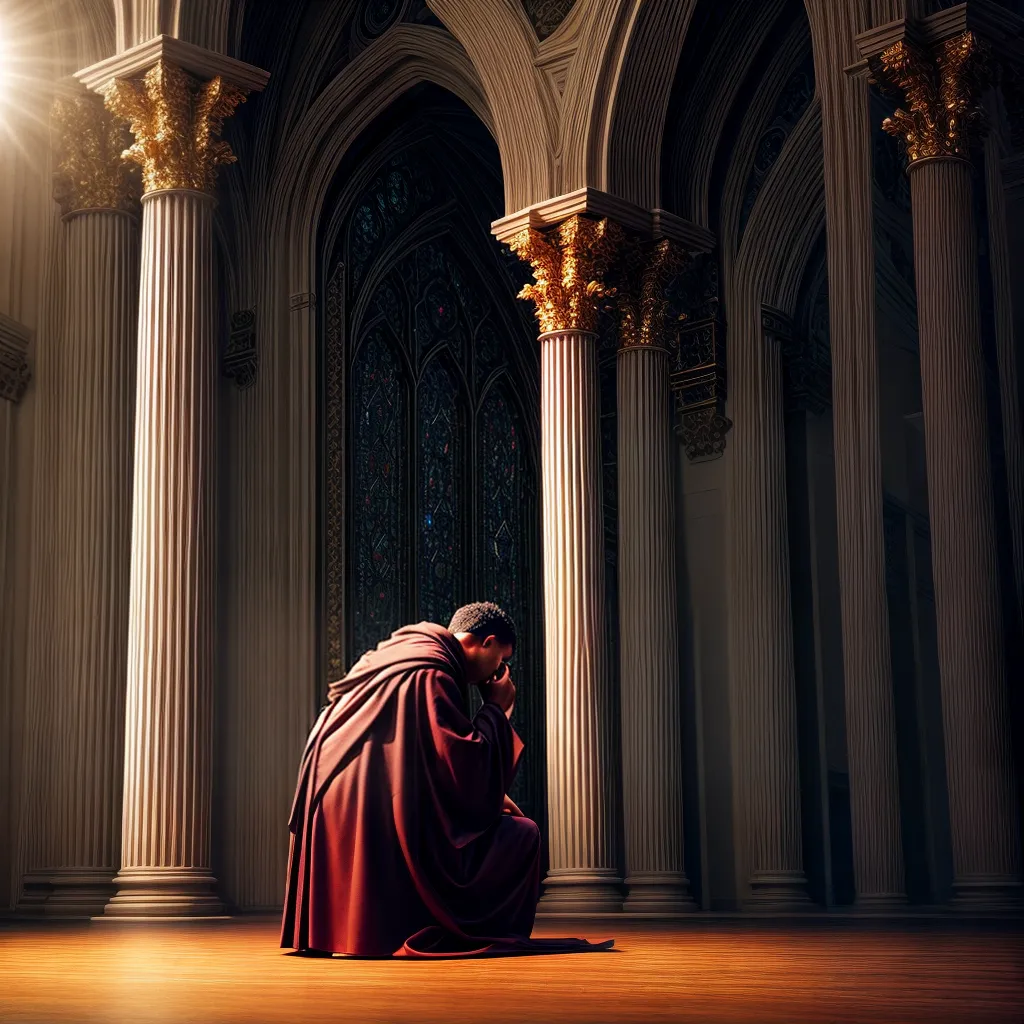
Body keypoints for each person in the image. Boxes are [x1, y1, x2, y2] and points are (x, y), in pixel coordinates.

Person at [280, 601, 612, 958]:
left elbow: (419, 761)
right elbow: (463, 773)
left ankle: (335, 932)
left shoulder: (396, 659)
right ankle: (463, 928)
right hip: (377, 814)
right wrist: (496, 710)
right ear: (485, 642)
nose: (497, 673)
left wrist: (493, 794)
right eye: (501, 660)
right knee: (524, 835)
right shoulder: (433, 673)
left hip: (334, 808)